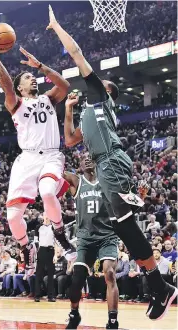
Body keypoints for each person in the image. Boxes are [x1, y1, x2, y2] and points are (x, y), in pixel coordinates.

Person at [48, 6, 178, 320]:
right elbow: (69, 141)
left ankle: (159, 286)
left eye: (101, 82)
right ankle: (159, 286)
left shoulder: (101, 98)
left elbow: (77, 54)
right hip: (105, 165)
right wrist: (68, 110)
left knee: (123, 224)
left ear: (107, 92)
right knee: (124, 225)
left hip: (111, 162)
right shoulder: (90, 112)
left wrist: (57, 26)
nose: (95, 82)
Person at [0, 30, 75, 261]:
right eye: (26, 78)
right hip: (27, 159)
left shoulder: (48, 99)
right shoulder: (16, 103)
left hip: (51, 156)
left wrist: (41, 67)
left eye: (31, 76)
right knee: (13, 217)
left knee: (46, 192)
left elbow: (64, 85)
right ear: (20, 88)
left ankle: (60, 233)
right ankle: (25, 247)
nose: (31, 78)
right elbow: (6, 86)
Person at [62, 157, 120, 329]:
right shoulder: (76, 181)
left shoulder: (106, 181)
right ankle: (74, 314)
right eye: (83, 159)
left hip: (107, 236)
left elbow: (124, 196)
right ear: (79, 165)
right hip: (85, 239)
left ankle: (112, 321)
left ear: (96, 162)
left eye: (90, 158)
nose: (87, 160)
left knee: (109, 272)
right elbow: (56, 173)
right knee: (77, 277)